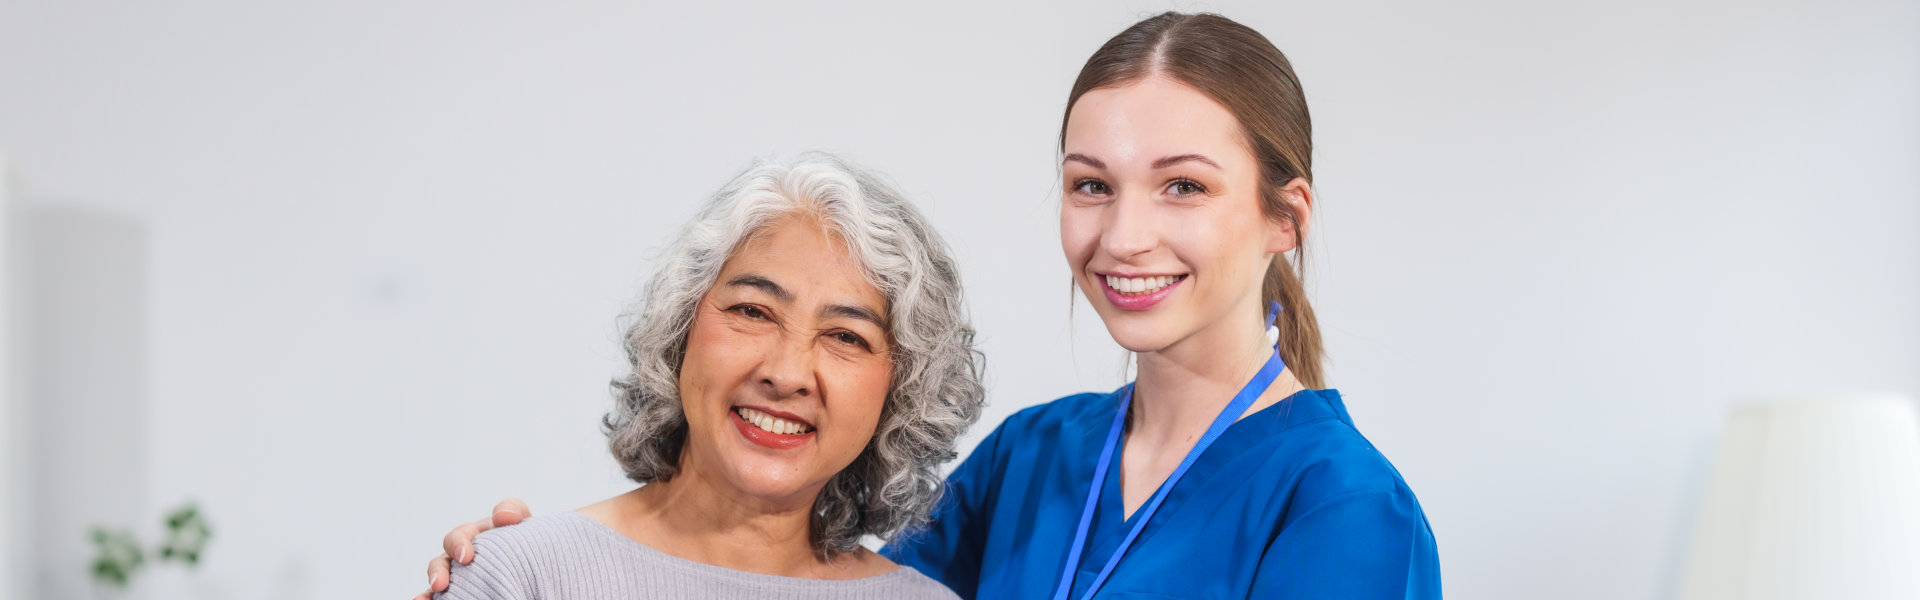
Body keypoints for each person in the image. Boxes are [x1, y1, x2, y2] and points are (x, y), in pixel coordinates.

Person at [420, 12, 1440, 599]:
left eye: (1183, 186)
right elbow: (798, 577)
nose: (1125, 235)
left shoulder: (1343, 507)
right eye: (1092, 184)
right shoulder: (1033, 458)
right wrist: (542, 562)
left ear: (1284, 216)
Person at [431, 153, 984, 600]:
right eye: (752, 311)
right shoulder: (521, 579)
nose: (787, 374)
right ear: (681, 327)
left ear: (901, 392)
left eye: (845, 337)